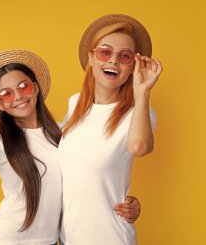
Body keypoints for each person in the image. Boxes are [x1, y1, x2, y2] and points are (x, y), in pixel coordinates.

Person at [0, 49, 142, 245]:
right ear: (0, 104)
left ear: (36, 88)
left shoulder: (64, 133)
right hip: (7, 240)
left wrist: (129, 203)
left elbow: (94, 166)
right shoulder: (1, 141)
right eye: (6, 94)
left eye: (24, 87)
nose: (18, 96)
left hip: (51, 241)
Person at [58, 14, 163, 245]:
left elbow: (139, 147)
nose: (113, 60)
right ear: (91, 57)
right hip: (68, 238)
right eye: (105, 52)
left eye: (124, 56)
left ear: (132, 67)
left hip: (109, 238)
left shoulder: (138, 112)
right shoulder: (75, 104)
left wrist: (142, 91)